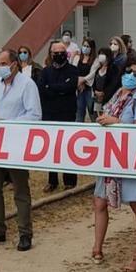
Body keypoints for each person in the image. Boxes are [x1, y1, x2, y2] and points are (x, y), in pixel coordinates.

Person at [0, 50, 42, 251]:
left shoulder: (27, 85)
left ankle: (25, 233)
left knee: (20, 190)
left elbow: (35, 115)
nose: (0, 67)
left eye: (4, 63)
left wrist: (9, 123)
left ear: (14, 64)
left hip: (16, 144)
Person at [93, 57, 136, 272]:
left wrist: (117, 122)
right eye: (128, 71)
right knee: (100, 202)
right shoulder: (117, 94)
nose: (130, 76)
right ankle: (97, 247)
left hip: (131, 160)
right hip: (110, 158)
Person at [37, 40, 80, 193]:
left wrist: (53, 88)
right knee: (51, 148)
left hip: (67, 113)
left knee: (68, 146)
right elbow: (42, 89)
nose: (59, 55)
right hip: (49, 114)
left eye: (62, 52)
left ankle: (70, 180)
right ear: (51, 54)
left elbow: (70, 87)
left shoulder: (73, 70)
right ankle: (52, 180)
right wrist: (59, 90)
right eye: (56, 53)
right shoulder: (46, 71)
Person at [90, 48, 121, 116]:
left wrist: (104, 93)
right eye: (100, 54)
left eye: (103, 54)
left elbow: (114, 84)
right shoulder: (98, 69)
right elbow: (94, 83)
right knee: (96, 116)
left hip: (108, 98)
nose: (101, 56)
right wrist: (95, 91)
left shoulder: (113, 68)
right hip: (97, 99)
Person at [75, 38, 97, 122]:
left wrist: (83, 80)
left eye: (88, 46)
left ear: (92, 48)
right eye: (84, 46)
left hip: (89, 88)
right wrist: (78, 81)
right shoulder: (77, 58)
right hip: (79, 88)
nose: (85, 48)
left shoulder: (96, 60)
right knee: (79, 111)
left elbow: (92, 73)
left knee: (91, 111)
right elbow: (73, 70)